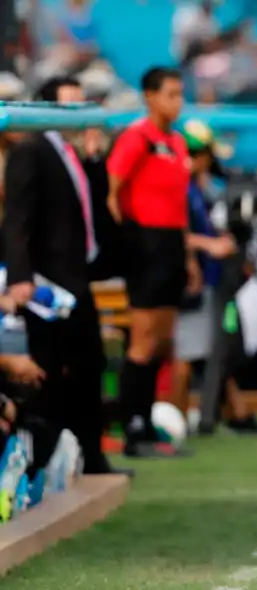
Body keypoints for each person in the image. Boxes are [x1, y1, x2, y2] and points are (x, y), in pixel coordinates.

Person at [0, 76, 129, 476]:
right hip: (46, 283)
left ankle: (88, 455)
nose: (80, 113)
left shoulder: (73, 153)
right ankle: (41, 459)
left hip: (75, 277)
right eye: (69, 105)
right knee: (49, 369)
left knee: (88, 364)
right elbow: (17, 218)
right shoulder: (31, 150)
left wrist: (93, 159)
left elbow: (94, 202)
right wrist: (22, 276)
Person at [106, 66, 199, 458]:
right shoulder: (136, 138)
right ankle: (133, 427)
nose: (176, 102)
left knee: (162, 338)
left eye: (180, 94)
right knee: (141, 340)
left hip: (171, 244)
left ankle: (146, 421)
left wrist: (188, 256)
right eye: (170, 95)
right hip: (144, 242)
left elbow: (179, 207)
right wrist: (128, 241)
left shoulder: (177, 143)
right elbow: (112, 192)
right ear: (149, 96)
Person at [170, 119, 239, 431]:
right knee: (185, 353)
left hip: (208, 277)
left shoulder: (200, 186)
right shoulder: (181, 187)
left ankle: (222, 412)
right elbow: (174, 232)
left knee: (207, 347)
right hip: (189, 278)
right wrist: (209, 245)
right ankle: (176, 419)